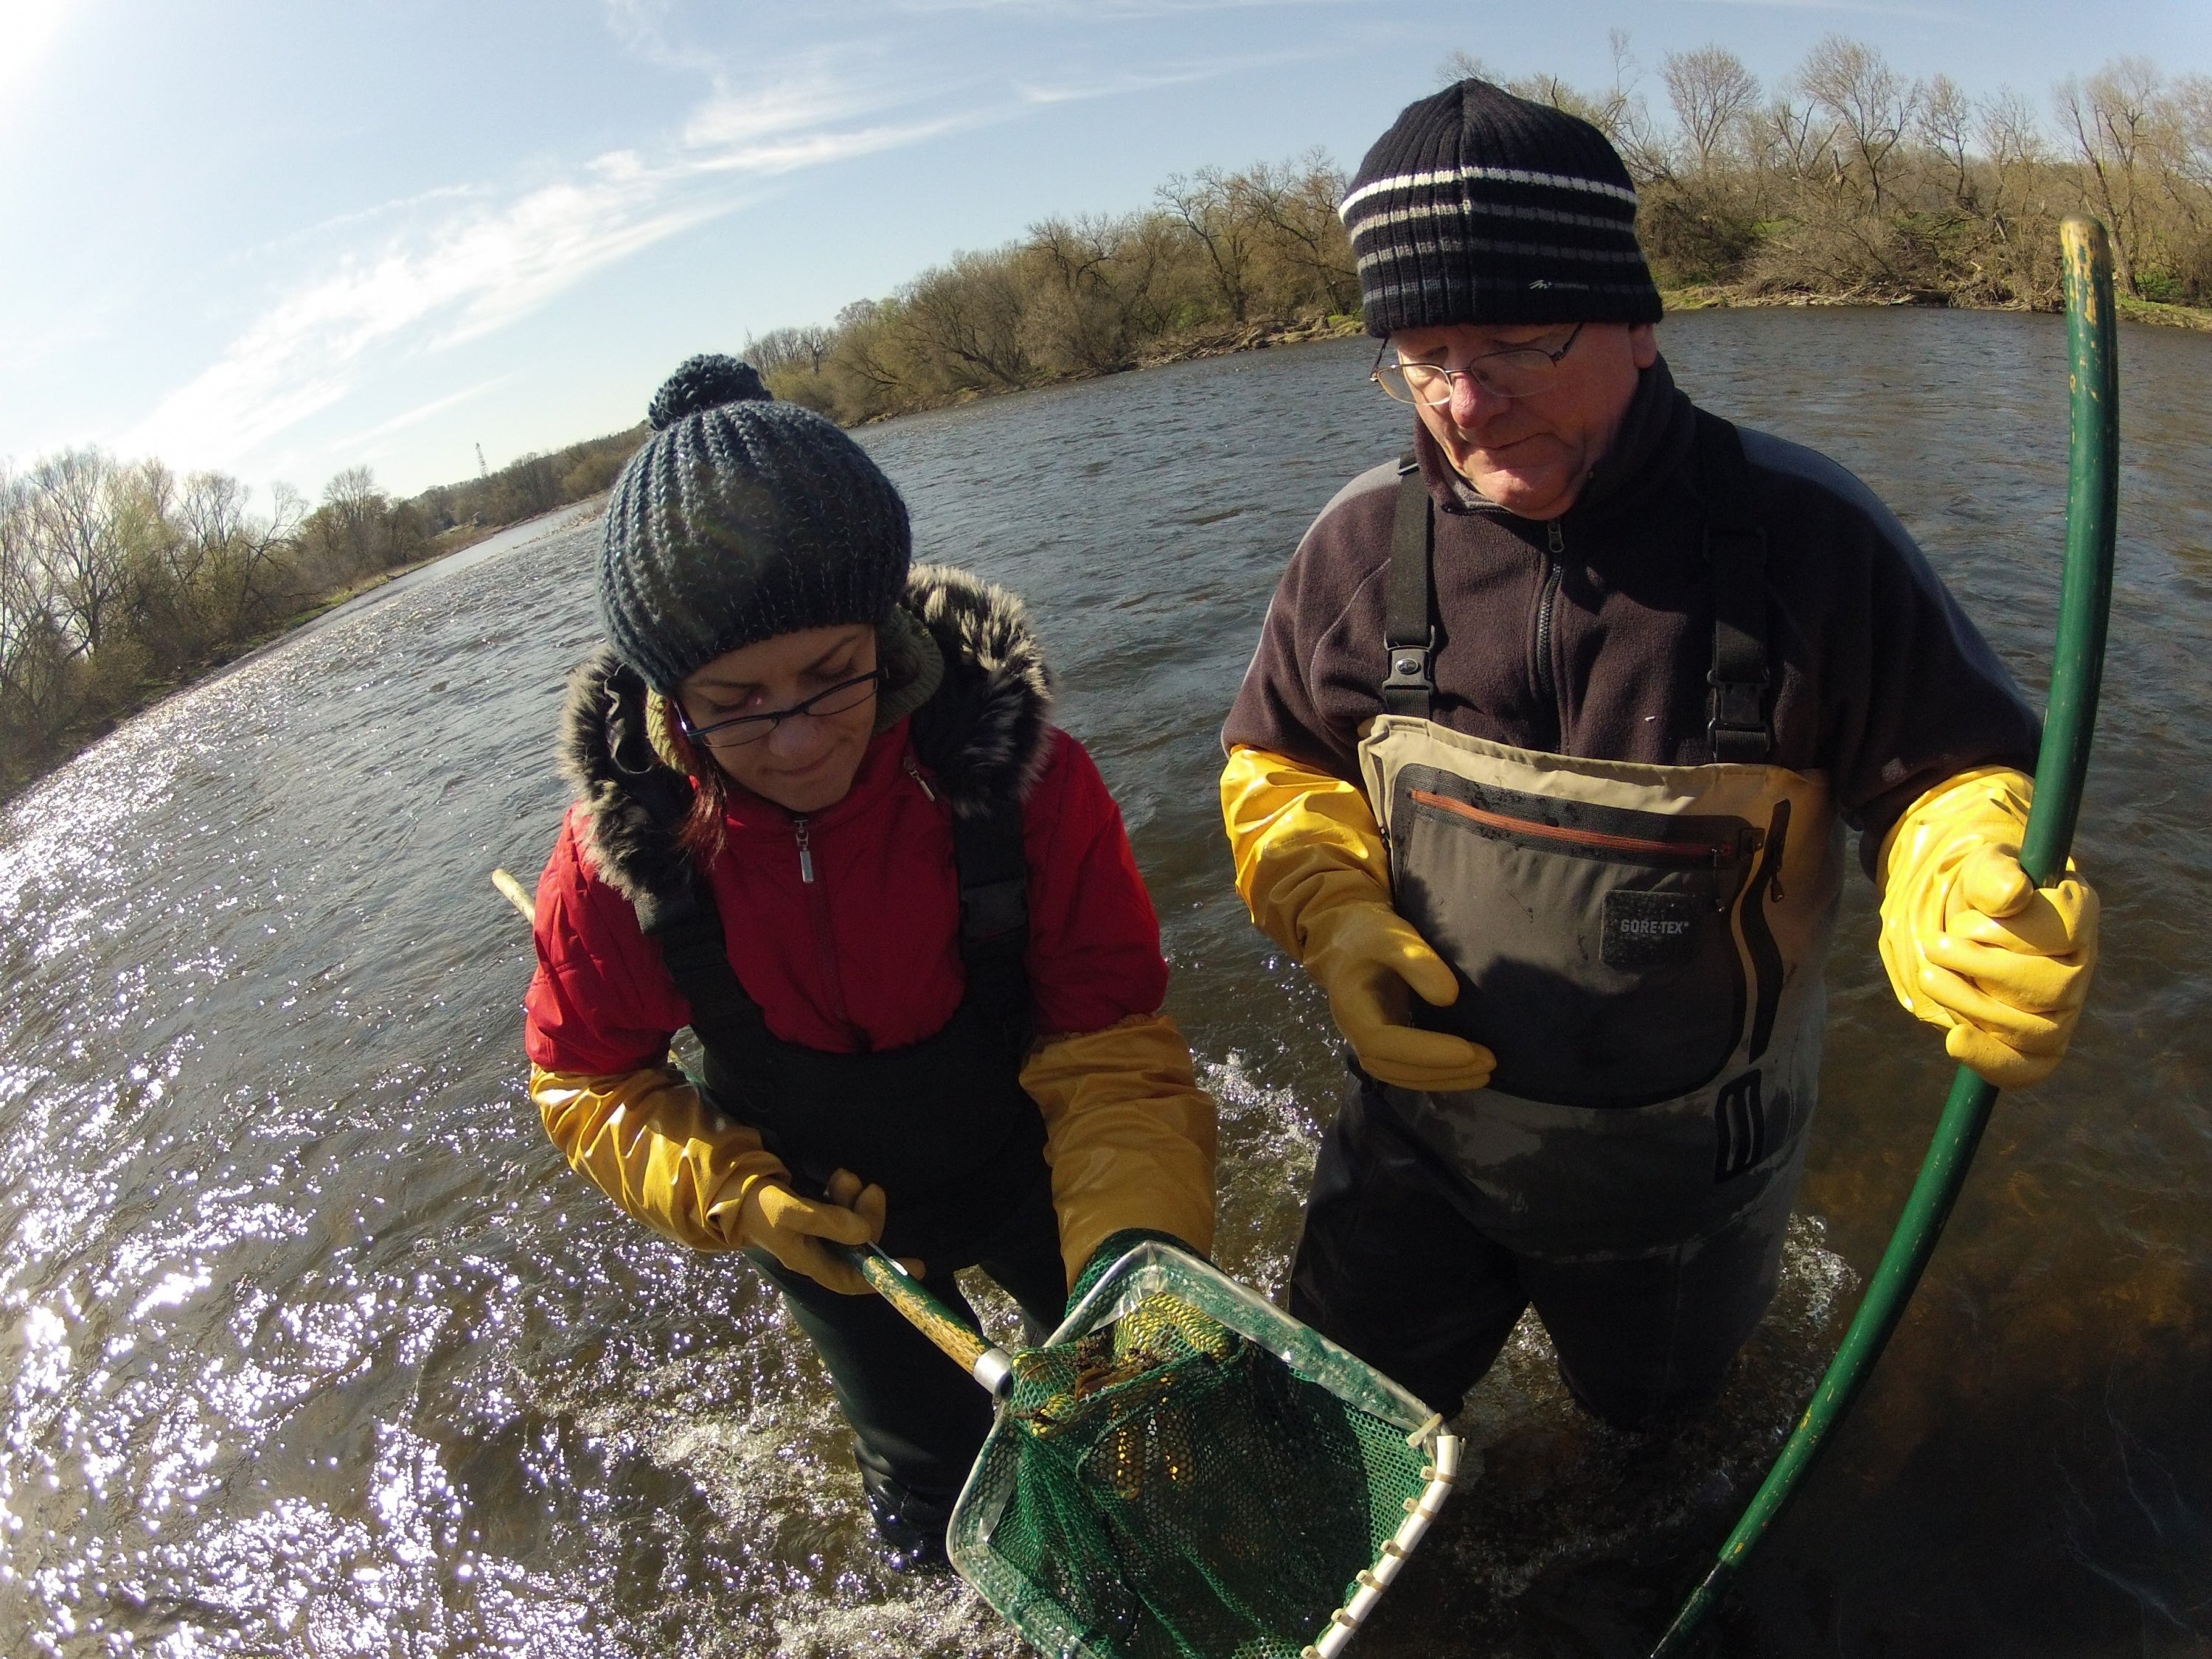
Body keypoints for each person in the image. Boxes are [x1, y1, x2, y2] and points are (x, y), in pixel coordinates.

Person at [1219, 80, 2100, 1432]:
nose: (1466, 398)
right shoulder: (1350, 552)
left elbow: (1948, 776)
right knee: (1330, 1426)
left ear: (1636, 321)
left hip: (1691, 1192)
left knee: (1660, 1457)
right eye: (1420, 350)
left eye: (1518, 339)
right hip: (1418, 1151)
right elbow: (1279, 768)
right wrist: (1330, 910)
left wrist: (1961, 877)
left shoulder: (1812, 539)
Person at [524, 355, 1217, 1569]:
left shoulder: (1025, 783)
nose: (793, 739)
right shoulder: (615, 864)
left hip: (1036, 1158)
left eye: (830, 675)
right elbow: (590, 1078)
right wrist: (741, 1197)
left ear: (890, 636)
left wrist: (1131, 1258)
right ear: (664, 703)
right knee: (934, 1505)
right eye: (734, 701)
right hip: (828, 1227)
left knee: (1158, 1420)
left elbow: (1111, 1047)